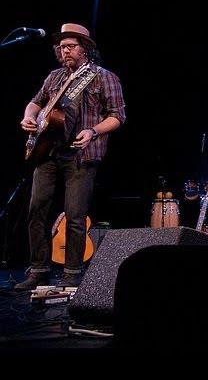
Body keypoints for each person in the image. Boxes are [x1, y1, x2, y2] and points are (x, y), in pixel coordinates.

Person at [15, 23, 126, 290]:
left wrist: (93, 130)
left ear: (85, 48)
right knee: (36, 210)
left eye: (71, 46)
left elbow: (117, 117)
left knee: (75, 216)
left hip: (81, 153)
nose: (64, 50)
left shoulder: (102, 77)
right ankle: (39, 269)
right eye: (61, 46)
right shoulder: (54, 77)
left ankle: (72, 272)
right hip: (47, 152)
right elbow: (35, 102)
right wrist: (29, 117)